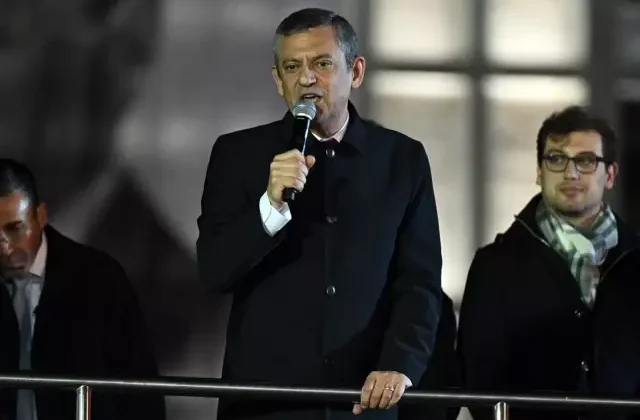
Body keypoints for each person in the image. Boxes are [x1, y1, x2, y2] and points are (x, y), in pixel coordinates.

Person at [196, 7, 443, 420]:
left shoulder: (402, 159)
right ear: (278, 80)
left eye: (322, 64)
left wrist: (400, 364)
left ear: (356, 72)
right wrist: (270, 208)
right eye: (292, 67)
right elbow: (213, 271)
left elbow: (419, 282)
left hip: (365, 400)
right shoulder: (237, 155)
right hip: (266, 405)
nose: (306, 79)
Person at [457, 106, 640, 420]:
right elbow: (480, 384)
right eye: (556, 159)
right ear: (540, 173)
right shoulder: (495, 266)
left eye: (585, 160)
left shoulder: (635, 262)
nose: (570, 173)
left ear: (610, 175)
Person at [0, 159, 166, 420]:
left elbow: (141, 392)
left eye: (15, 229)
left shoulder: (99, 279)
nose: (5, 247)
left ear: (41, 216)